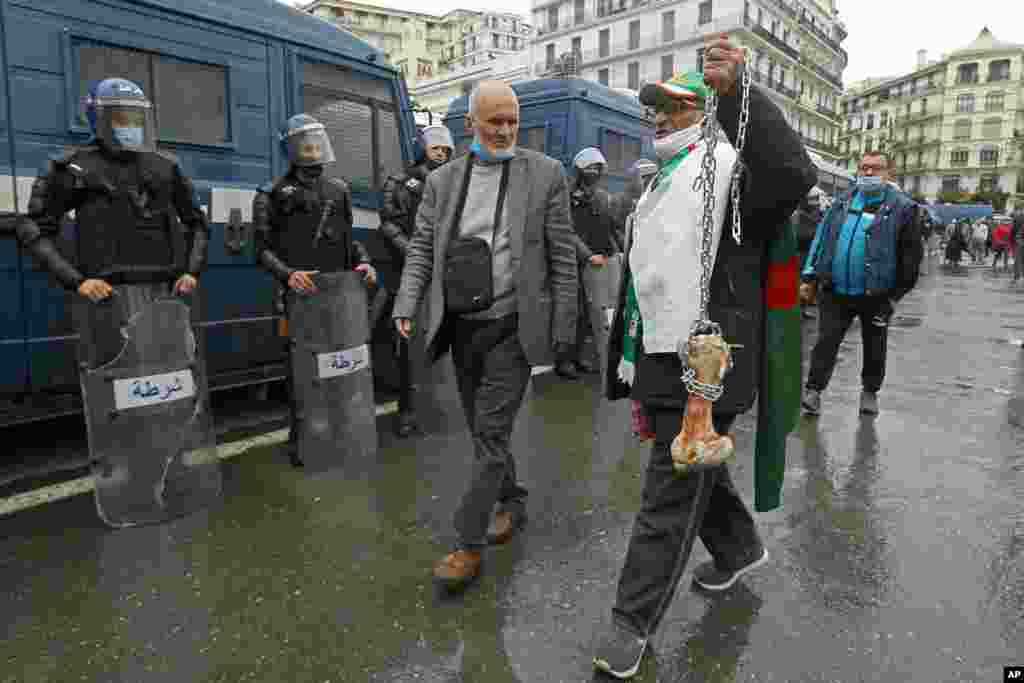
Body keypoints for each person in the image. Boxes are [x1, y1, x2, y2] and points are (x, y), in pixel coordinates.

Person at [592, 37, 818, 679]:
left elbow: (792, 171)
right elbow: (645, 283)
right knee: (692, 474)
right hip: (662, 361)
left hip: (710, 372)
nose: (661, 117)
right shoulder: (661, 183)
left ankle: (628, 623)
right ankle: (740, 547)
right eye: (656, 108)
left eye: (677, 106)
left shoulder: (734, 176)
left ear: (708, 111)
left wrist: (741, 89)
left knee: (667, 494)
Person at [392, 80, 578, 592]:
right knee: (482, 429)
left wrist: (564, 326)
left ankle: (466, 544)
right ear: (470, 123)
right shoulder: (443, 181)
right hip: (462, 326)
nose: (503, 130)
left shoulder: (546, 176)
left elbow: (562, 255)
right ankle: (513, 500)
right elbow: (423, 247)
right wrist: (407, 302)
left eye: (511, 121)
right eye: (493, 121)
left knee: (490, 434)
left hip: (514, 329)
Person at [253, 113, 376, 468]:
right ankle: (303, 440)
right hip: (297, 297)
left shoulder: (338, 190)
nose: (314, 148)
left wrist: (364, 263)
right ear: (291, 149)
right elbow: (259, 250)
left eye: (317, 140)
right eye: (305, 142)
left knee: (340, 366)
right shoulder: (271, 193)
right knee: (301, 371)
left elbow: (350, 242)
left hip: (339, 294)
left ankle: (342, 433)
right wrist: (288, 275)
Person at [16, 77, 207, 303]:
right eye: (121, 118)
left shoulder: (166, 165)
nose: (131, 126)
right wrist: (77, 281)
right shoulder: (74, 166)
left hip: (166, 289)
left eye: (137, 118)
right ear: (99, 118)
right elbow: (34, 230)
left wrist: (191, 271)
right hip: (104, 295)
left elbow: (196, 222)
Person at [800, 150, 923, 418]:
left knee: (874, 346)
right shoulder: (842, 202)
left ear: (888, 174)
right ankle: (813, 391)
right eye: (864, 167)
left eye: (875, 168)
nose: (868, 173)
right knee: (825, 343)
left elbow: (911, 259)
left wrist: (893, 297)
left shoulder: (903, 208)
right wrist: (810, 277)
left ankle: (869, 392)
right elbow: (821, 238)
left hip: (876, 295)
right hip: (835, 291)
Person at [379, 124, 455, 436]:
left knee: (446, 339)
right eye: (435, 147)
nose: (441, 153)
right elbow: (389, 225)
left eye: (446, 149)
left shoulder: (454, 184)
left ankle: (440, 405)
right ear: (422, 148)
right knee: (409, 346)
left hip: (446, 274)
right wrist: (417, 255)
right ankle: (407, 411)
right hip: (411, 272)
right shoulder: (401, 182)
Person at [560, 146, 619, 379]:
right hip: (572, 261)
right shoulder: (566, 196)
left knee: (588, 311)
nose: (593, 171)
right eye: (589, 167)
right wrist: (586, 255)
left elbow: (609, 227)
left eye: (597, 168)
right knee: (570, 310)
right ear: (579, 169)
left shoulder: (602, 196)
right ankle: (563, 360)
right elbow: (566, 230)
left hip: (596, 264)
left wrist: (617, 251)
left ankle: (578, 356)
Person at [1012, 208, 1024, 282]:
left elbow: (1013, 230)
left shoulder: (1017, 218)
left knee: (1018, 260)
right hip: (1020, 241)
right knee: (1019, 260)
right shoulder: (1018, 218)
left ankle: (1017, 277)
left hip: (1019, 241)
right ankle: (1017, 277)